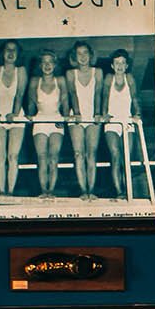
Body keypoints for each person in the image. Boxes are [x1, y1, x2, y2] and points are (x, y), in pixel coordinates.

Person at [59, 41, 103, 199]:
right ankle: (83, 191)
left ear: (90, 55)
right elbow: (72, 94)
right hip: (76, 115)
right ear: (74, 56)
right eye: (79, 53)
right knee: (78, 154)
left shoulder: (98, 72)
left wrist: (97, 113)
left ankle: (91, 190)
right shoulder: (71, 73)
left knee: (91, 154)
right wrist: (77, 113)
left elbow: (98, 94)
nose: (83, 57)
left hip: (92, 115)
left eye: (85, 53)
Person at [0, 40, 28, 200]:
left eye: (14, 50)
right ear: (2, 53)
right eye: (7, 50)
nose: (10, 53)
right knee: (0, 155)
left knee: (13, 156)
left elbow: (20, 94)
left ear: (18, 54)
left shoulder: (21, 71)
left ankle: (11, 192)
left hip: (16, 115)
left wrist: (14, 113)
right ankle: (2, 191)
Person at [98, 50, 140, 200]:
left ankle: (128, 190)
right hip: (112, 121)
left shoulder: (130, 78)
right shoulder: (109, 78)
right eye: (117, 63)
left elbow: (135, 98)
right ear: (112, 65)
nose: (120, 66)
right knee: (115, 156)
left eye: (122, 63)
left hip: (127, 120)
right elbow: (104, 97)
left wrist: (137, 115)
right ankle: (119, 192)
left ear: (127, 65)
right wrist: (104, 114)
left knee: (126, 158)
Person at [26, 50, 67, 199]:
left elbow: (65, 101)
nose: (47, 65)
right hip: (40, 120)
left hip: (57, 120)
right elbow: (30, 101)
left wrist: (68, 116)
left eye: (50, 62)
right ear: (40, 65)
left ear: (55, 65)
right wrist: (29, 114)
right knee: (42, 157)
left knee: (54, 157)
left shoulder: (61, 80)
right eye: (44, 62)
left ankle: (52, 191)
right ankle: (44, 191)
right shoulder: (35, 81)